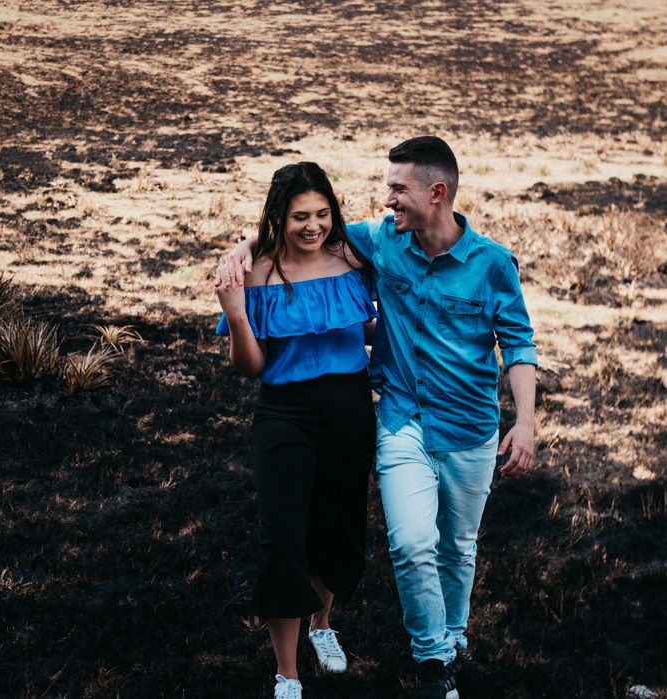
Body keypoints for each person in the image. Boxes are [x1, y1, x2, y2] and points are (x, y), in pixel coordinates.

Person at [217, 136, 538, 699]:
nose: (387, 199)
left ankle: (422, 635)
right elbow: (297, 237)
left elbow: (516, 342)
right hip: (362, 418)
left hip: (425, 420)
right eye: (388, 187)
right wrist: (244, 251)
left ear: (436, 193)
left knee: (427, 543)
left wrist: (527, 421)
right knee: (381, 544)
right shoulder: (374, 243)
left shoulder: (472, 263)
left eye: (397, 188)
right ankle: (410, 665)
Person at [215, 162, 379, 699]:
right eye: (300, 217)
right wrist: (236, 316)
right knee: (283, 539)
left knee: (339, 528)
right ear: (278, 218)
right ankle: (287, 674)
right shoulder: (257, 271)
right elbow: (252, 367)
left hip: (350, 409)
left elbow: (370, 321)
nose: (314, 226)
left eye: (322, 214)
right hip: (285, 413)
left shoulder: (356, 256)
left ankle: (322, 625)